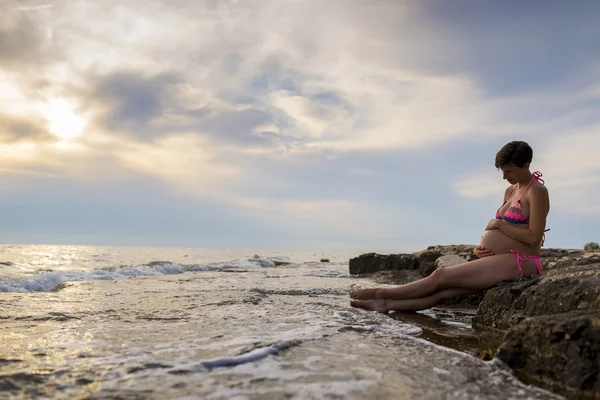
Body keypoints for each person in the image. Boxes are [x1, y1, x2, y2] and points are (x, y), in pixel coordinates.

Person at [349, 141, 550, 313]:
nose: (504, 176)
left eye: (509, 171)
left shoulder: (537, 191)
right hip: (502, 259)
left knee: (441, 275)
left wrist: (498, 224)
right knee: (445, 292)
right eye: (502, 170)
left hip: (523, 262)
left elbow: (533, 238)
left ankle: (380, 293)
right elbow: (505, 236)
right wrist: (480, 249)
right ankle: (384, 305)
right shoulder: (510, 191)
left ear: (526, 165)